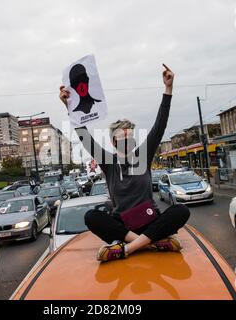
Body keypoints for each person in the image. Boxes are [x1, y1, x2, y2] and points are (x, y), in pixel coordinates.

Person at [59, 64, 190, 262]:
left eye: (131, 136)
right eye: (123, 137)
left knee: (181, 210)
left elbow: (160, 125)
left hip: (149, 221)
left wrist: (168, 89)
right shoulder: (108, 162)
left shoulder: (143, 155)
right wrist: (69, 107)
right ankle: (149, 243)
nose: (128, 140)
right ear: (113, 142)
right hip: (124, 228)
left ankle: (128, 249)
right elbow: (84, 137)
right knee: (91, 217)